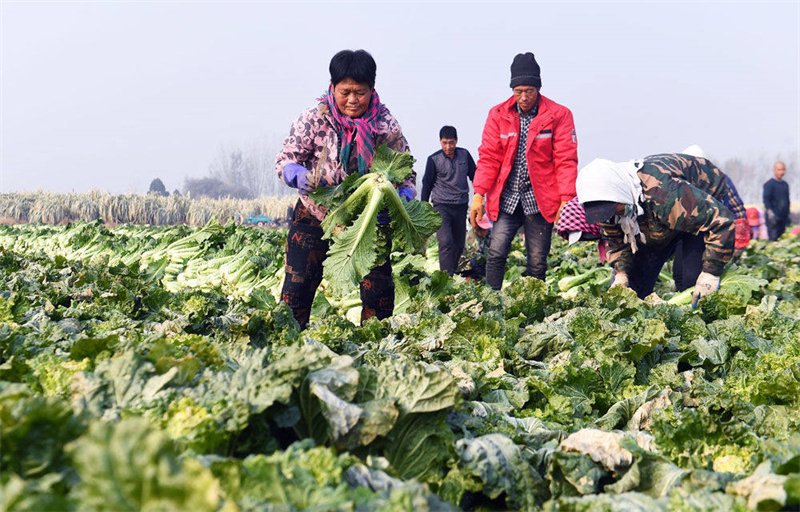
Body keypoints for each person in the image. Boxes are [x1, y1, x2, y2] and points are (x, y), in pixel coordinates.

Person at [274, 49, 414, 329]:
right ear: (332, 87)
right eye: (345, 91)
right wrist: (297, 174)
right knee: (297, 288)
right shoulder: (313, 119)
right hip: (316, 214)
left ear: (372, 90)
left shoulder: (385, 125)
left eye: (360, 93)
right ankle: (286, 345)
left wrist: (402, 197)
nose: (352, 100)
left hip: (367, 222)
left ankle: (375, 351)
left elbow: (405, 170)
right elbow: (286, 158)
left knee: (378, 295)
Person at [576, 152, 750, 306]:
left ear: (621, 194)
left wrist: (711, 272)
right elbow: (616, 240)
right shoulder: (606, 206)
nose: (612, 215)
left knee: (691, 279)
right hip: (661, 214)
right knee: (632, 286)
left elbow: (720, 221)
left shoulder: (663, 193)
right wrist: (621, 273)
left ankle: (702, 322)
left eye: (615, 209)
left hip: (699, 204)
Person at [469, 52, 578, 290]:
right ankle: (491, 300)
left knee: (537, 262)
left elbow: (566, 160)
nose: (524, 97)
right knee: (496, 252)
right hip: (507, 196)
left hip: (540, 199)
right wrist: (479, 194)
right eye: (518, 91)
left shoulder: (559, 115)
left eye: (529, 91)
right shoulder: (498, 115)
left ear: (538, 88)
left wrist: (566, 200)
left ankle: (533, 306)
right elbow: (488, 157)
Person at [421, 125, 477, 274]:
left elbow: (475, 176)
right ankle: (447, 277)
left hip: (460, 205)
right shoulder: (433, 159)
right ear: (440, 142)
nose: (448, 146)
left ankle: (451, 272)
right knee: (446, 241)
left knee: (459, 244)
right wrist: (423, 207)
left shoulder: (464, 155)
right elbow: (427, 184)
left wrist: (480, 196)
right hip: (441, 206)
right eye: (445, 143)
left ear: (456, 141)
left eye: (451, 142)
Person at [763, 161, 791, 240]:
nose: (781, 172)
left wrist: (788, 214)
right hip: (773, 218)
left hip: (783, 218)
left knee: (783, 240)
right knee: (774, 240)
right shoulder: (769, 184)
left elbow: (787, 200)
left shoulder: (785, 184)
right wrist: (770, 213)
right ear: (774, 170)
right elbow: (766, 200)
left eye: (783, 170)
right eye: (779, 170)